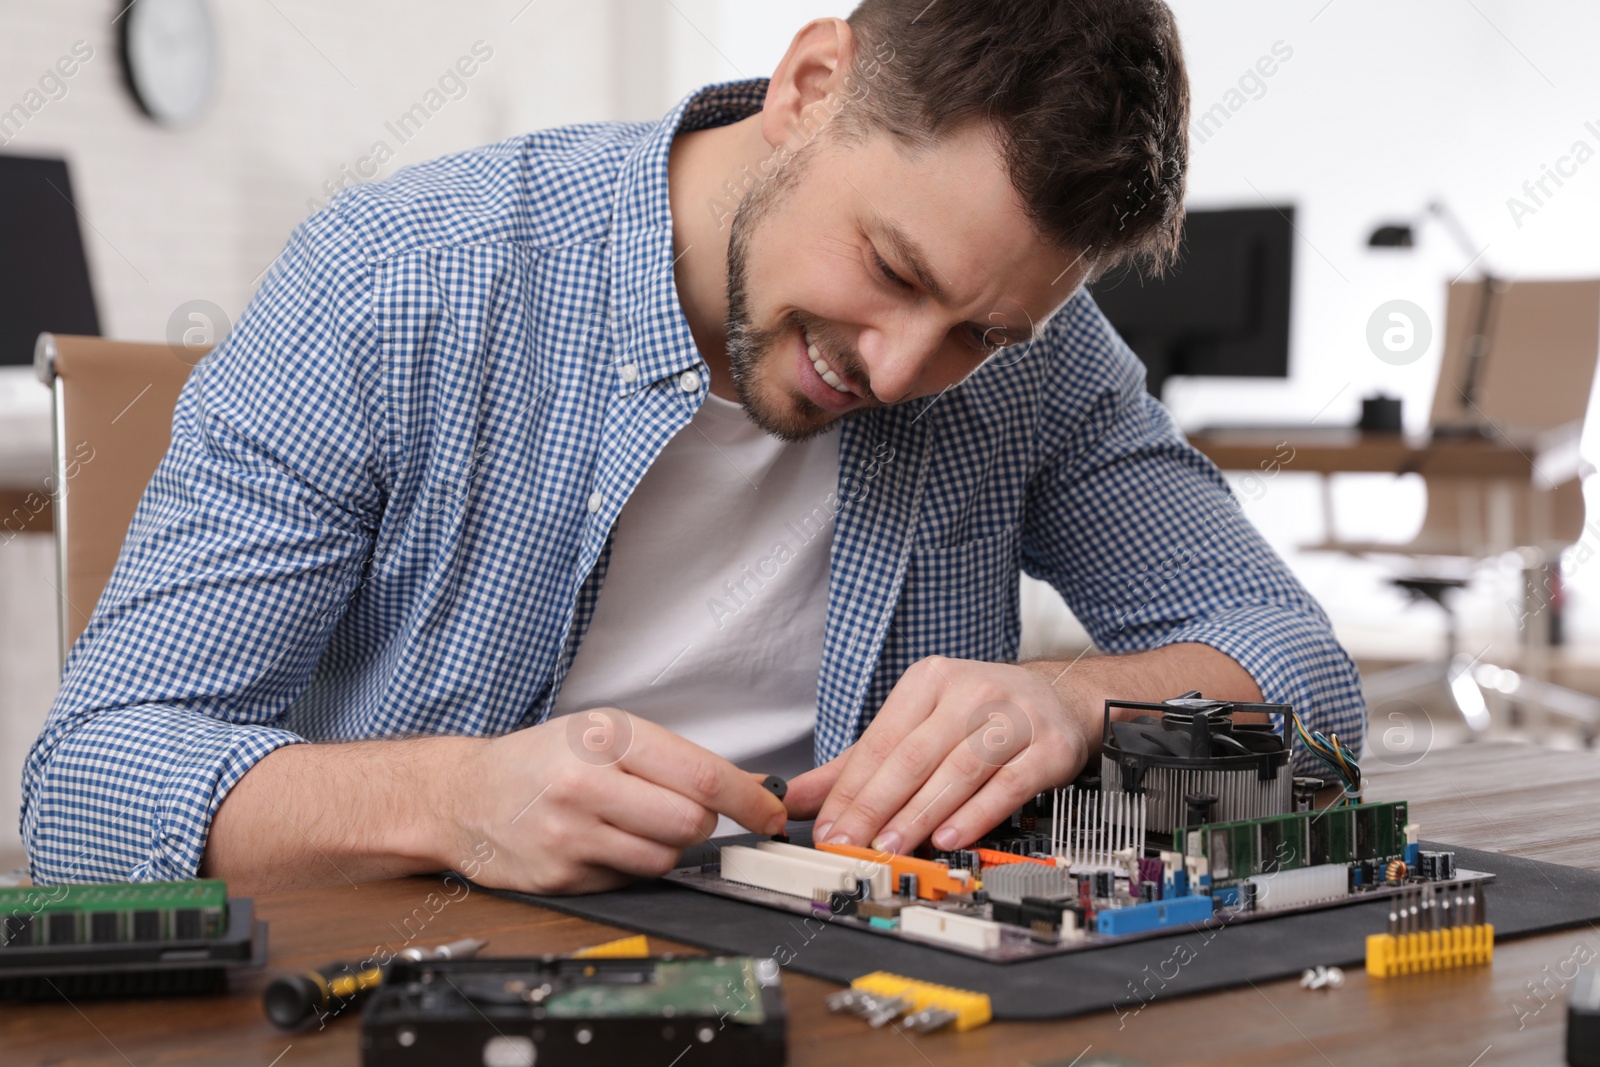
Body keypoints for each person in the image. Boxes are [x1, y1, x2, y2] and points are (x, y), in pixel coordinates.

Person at [21, 0, 1363, 895]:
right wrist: (454, 798)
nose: (901, 370)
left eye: (977, 333)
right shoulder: (397, 284)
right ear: (809, 86)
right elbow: (88, 783)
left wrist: (1076, 703)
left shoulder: (1038, 364)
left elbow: (1309, 684)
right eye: (890, 266)